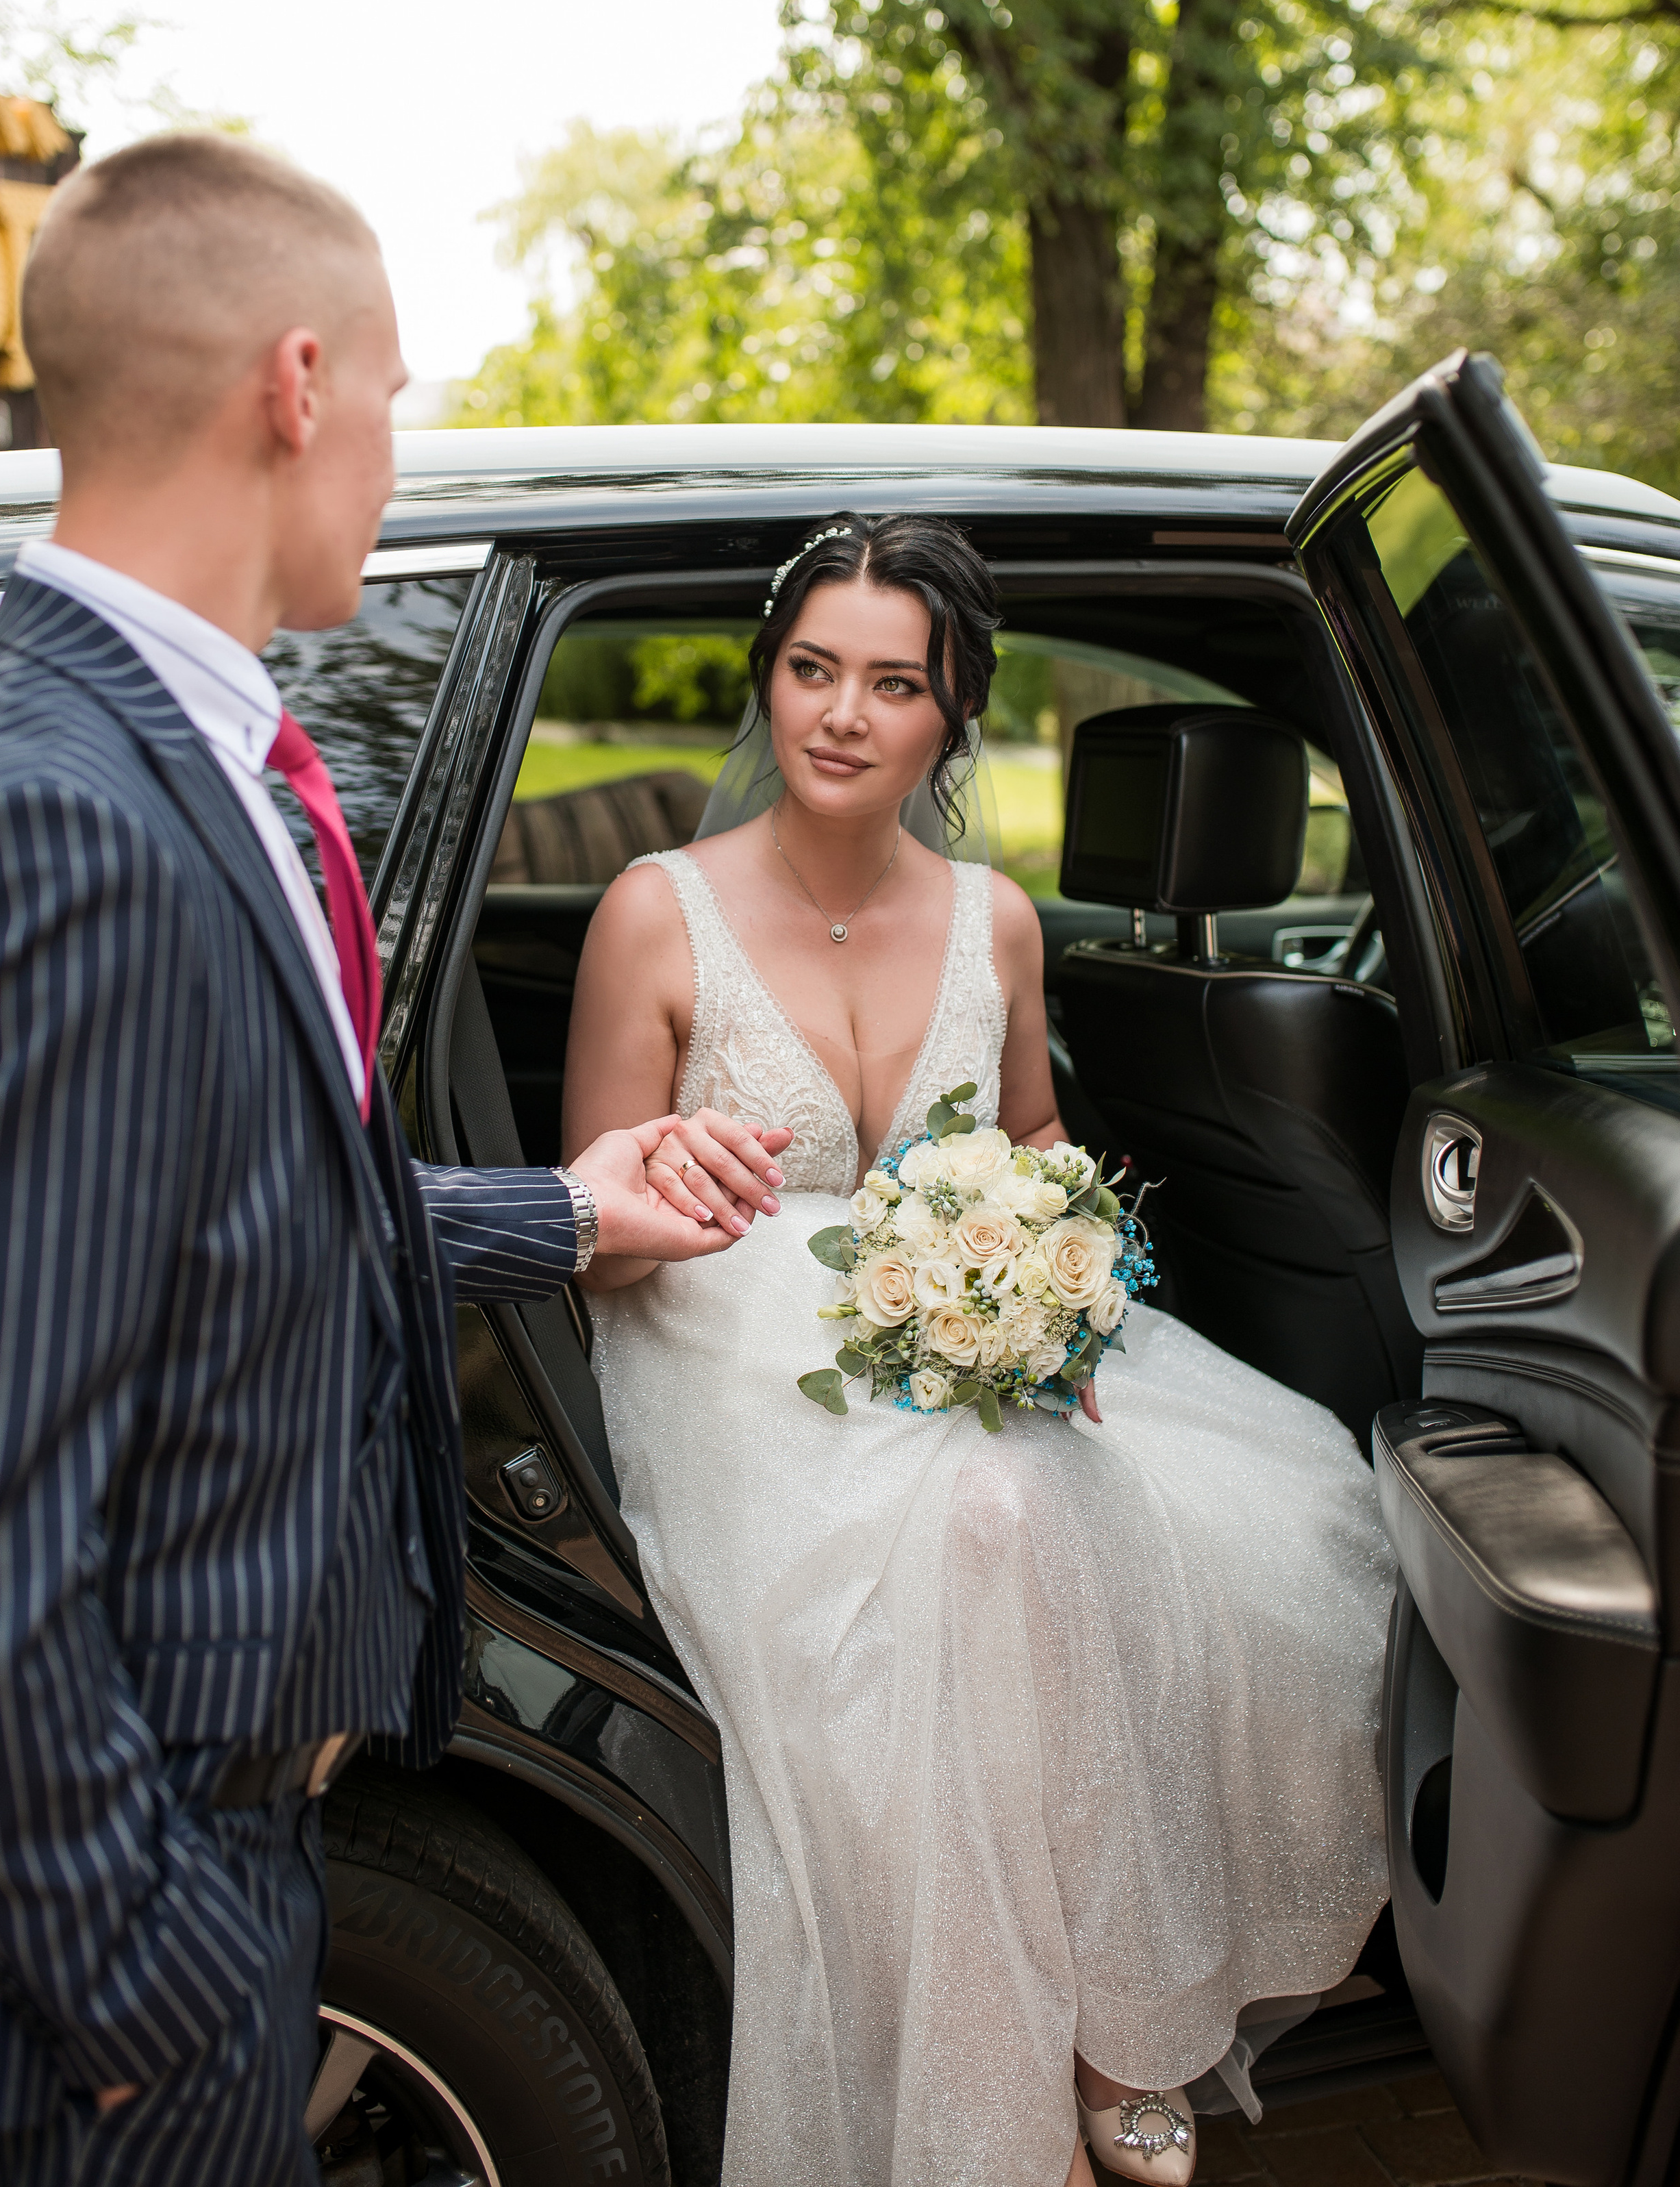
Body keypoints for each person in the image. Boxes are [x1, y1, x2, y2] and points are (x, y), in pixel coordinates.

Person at [0, 133, 782, 2186]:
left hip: (234, 1852)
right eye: (400, 396)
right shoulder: (55, 821)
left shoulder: (189, 765)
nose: (397, 447)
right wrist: (150, 1985)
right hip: (105, 1987)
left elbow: (193, 1235)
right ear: (297, 384)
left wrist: (569, 1209)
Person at [563, 513, 1399, 2187]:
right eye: (810, 670)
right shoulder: (650, 917)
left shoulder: (998, 923)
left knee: (1296, 1514)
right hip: (731, 1348)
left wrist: (1056, 1286)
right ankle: (1058, 2072)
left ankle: (1112, 2031)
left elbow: (1031, 1145)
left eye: (891, 682)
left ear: (952, 713)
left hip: (962, 1335)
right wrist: (672, 1182)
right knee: (992, 1521)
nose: (841, 715)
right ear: (767, 681)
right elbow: (585, 1222)